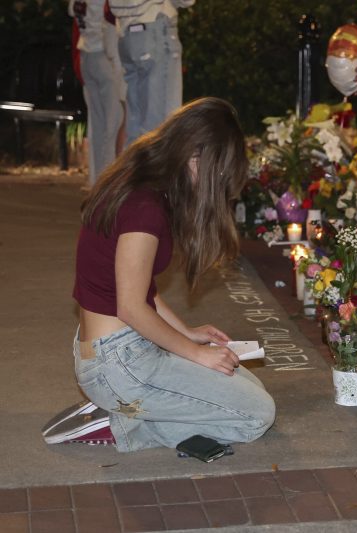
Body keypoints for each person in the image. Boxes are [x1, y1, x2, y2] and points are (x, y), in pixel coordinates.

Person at [43, 97, 275, 451]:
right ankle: (121, 423)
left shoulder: (139, 183)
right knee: (256, 415)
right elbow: (131, 307)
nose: (216, 186)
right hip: (118, 363)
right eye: (218, 174)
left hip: (124, 349)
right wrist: (194, 353)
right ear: (195, 158)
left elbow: (140, 290)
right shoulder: (145, 209)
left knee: (248, 386)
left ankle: (129, 408)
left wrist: (187, 333)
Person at [109, 0, 194, 145]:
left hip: (127, 32)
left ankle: (136, 161)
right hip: (155, 29)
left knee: (136, 130)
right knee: (160, 130)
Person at [68, 0, 124, 188]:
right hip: (103, 54)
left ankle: (96, 179)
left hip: (86, 53)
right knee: (113, 124)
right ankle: (107, 181)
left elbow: (73, 12)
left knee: (97, 123)